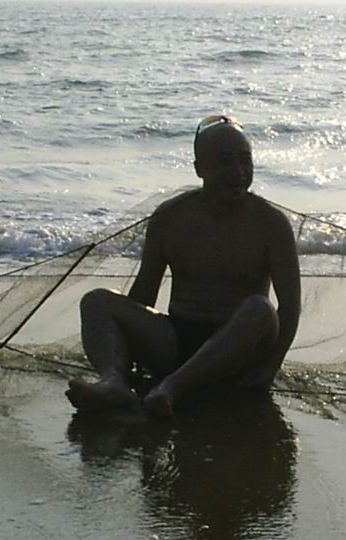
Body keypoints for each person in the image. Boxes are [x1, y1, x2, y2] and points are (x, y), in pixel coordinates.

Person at [66, 114, 301, 418]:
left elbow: (290, 307)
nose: (238, 171)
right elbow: (143, 294)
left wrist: (271, 366)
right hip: (176, 340)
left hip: (239, 349)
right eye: (225, 161)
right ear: (200, 168)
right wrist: (128, 342)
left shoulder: (271, 224)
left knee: (261, 309)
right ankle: (114, 381)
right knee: (96, 302)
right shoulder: (170, 217)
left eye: (245, 160)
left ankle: (172, 387)